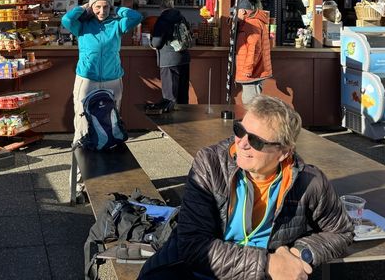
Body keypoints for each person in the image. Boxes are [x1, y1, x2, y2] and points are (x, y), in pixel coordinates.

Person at [139, 95, 354, 280]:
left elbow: (341, 231)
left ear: (284, 152)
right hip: (198, 272)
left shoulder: (309, 182)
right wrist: (269, 264)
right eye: (239, 130)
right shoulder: (210, 165)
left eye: (256, 141)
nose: (242, 143)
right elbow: (194, 246)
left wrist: (300, 254)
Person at [61, 0, 142, 200]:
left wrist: (118, 10)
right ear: (92, 6)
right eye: (98, 6)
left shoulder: (116, 24)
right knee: (82, 127)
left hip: (112, 80)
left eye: (106, 6)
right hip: (86, 80)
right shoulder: (82, 25)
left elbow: (136, 16)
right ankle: (78, 186)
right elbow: (67, 19)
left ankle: (107, 181)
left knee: (111, 125)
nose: (102, 11)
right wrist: (84, 7)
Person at [147, 0, 190, 113]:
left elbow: (157, 43)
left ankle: (171, 127)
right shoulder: (181, 16)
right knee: (182, 96)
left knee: (170, 97)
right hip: (184, 59)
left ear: (160, 6)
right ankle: (185, 125)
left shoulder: (163, 19)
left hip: (169, 61)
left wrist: (150, 42)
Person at [235, 0, 272, 104]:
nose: (234, 15)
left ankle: (253, 120)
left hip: (253, 72)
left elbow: (254, 48)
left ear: (243, 11)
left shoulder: (251, 24)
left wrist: (248, 69)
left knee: (250, 101)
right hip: (255, 70)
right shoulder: (250, 22)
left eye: (236, 12)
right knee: (251, 99)